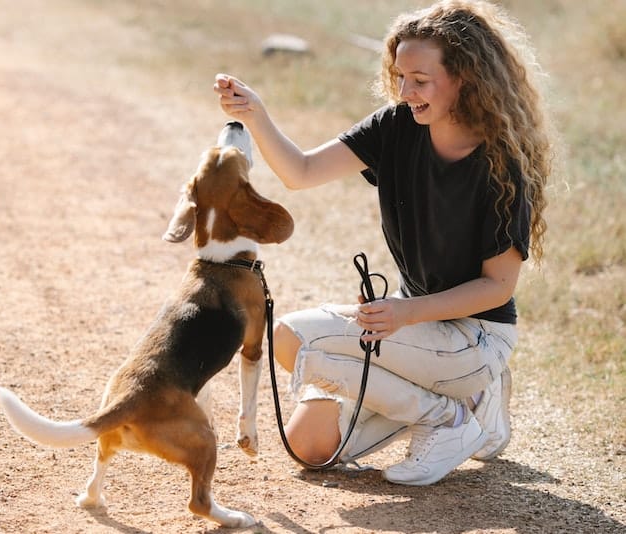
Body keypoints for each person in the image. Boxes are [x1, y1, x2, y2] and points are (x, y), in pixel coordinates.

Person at [214, 0, 552, 485]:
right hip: (411, 330)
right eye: (399, 76)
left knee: (289, 336)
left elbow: (497, 287)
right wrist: (257, 114)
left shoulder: (502, 165)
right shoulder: (396, 126)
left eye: (420, 79)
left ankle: (449, 418)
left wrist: (402, 315)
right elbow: (302, 171)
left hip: (475, 337)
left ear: (464, 78)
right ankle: (468, 405)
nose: (405, 90)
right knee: (310, 447)